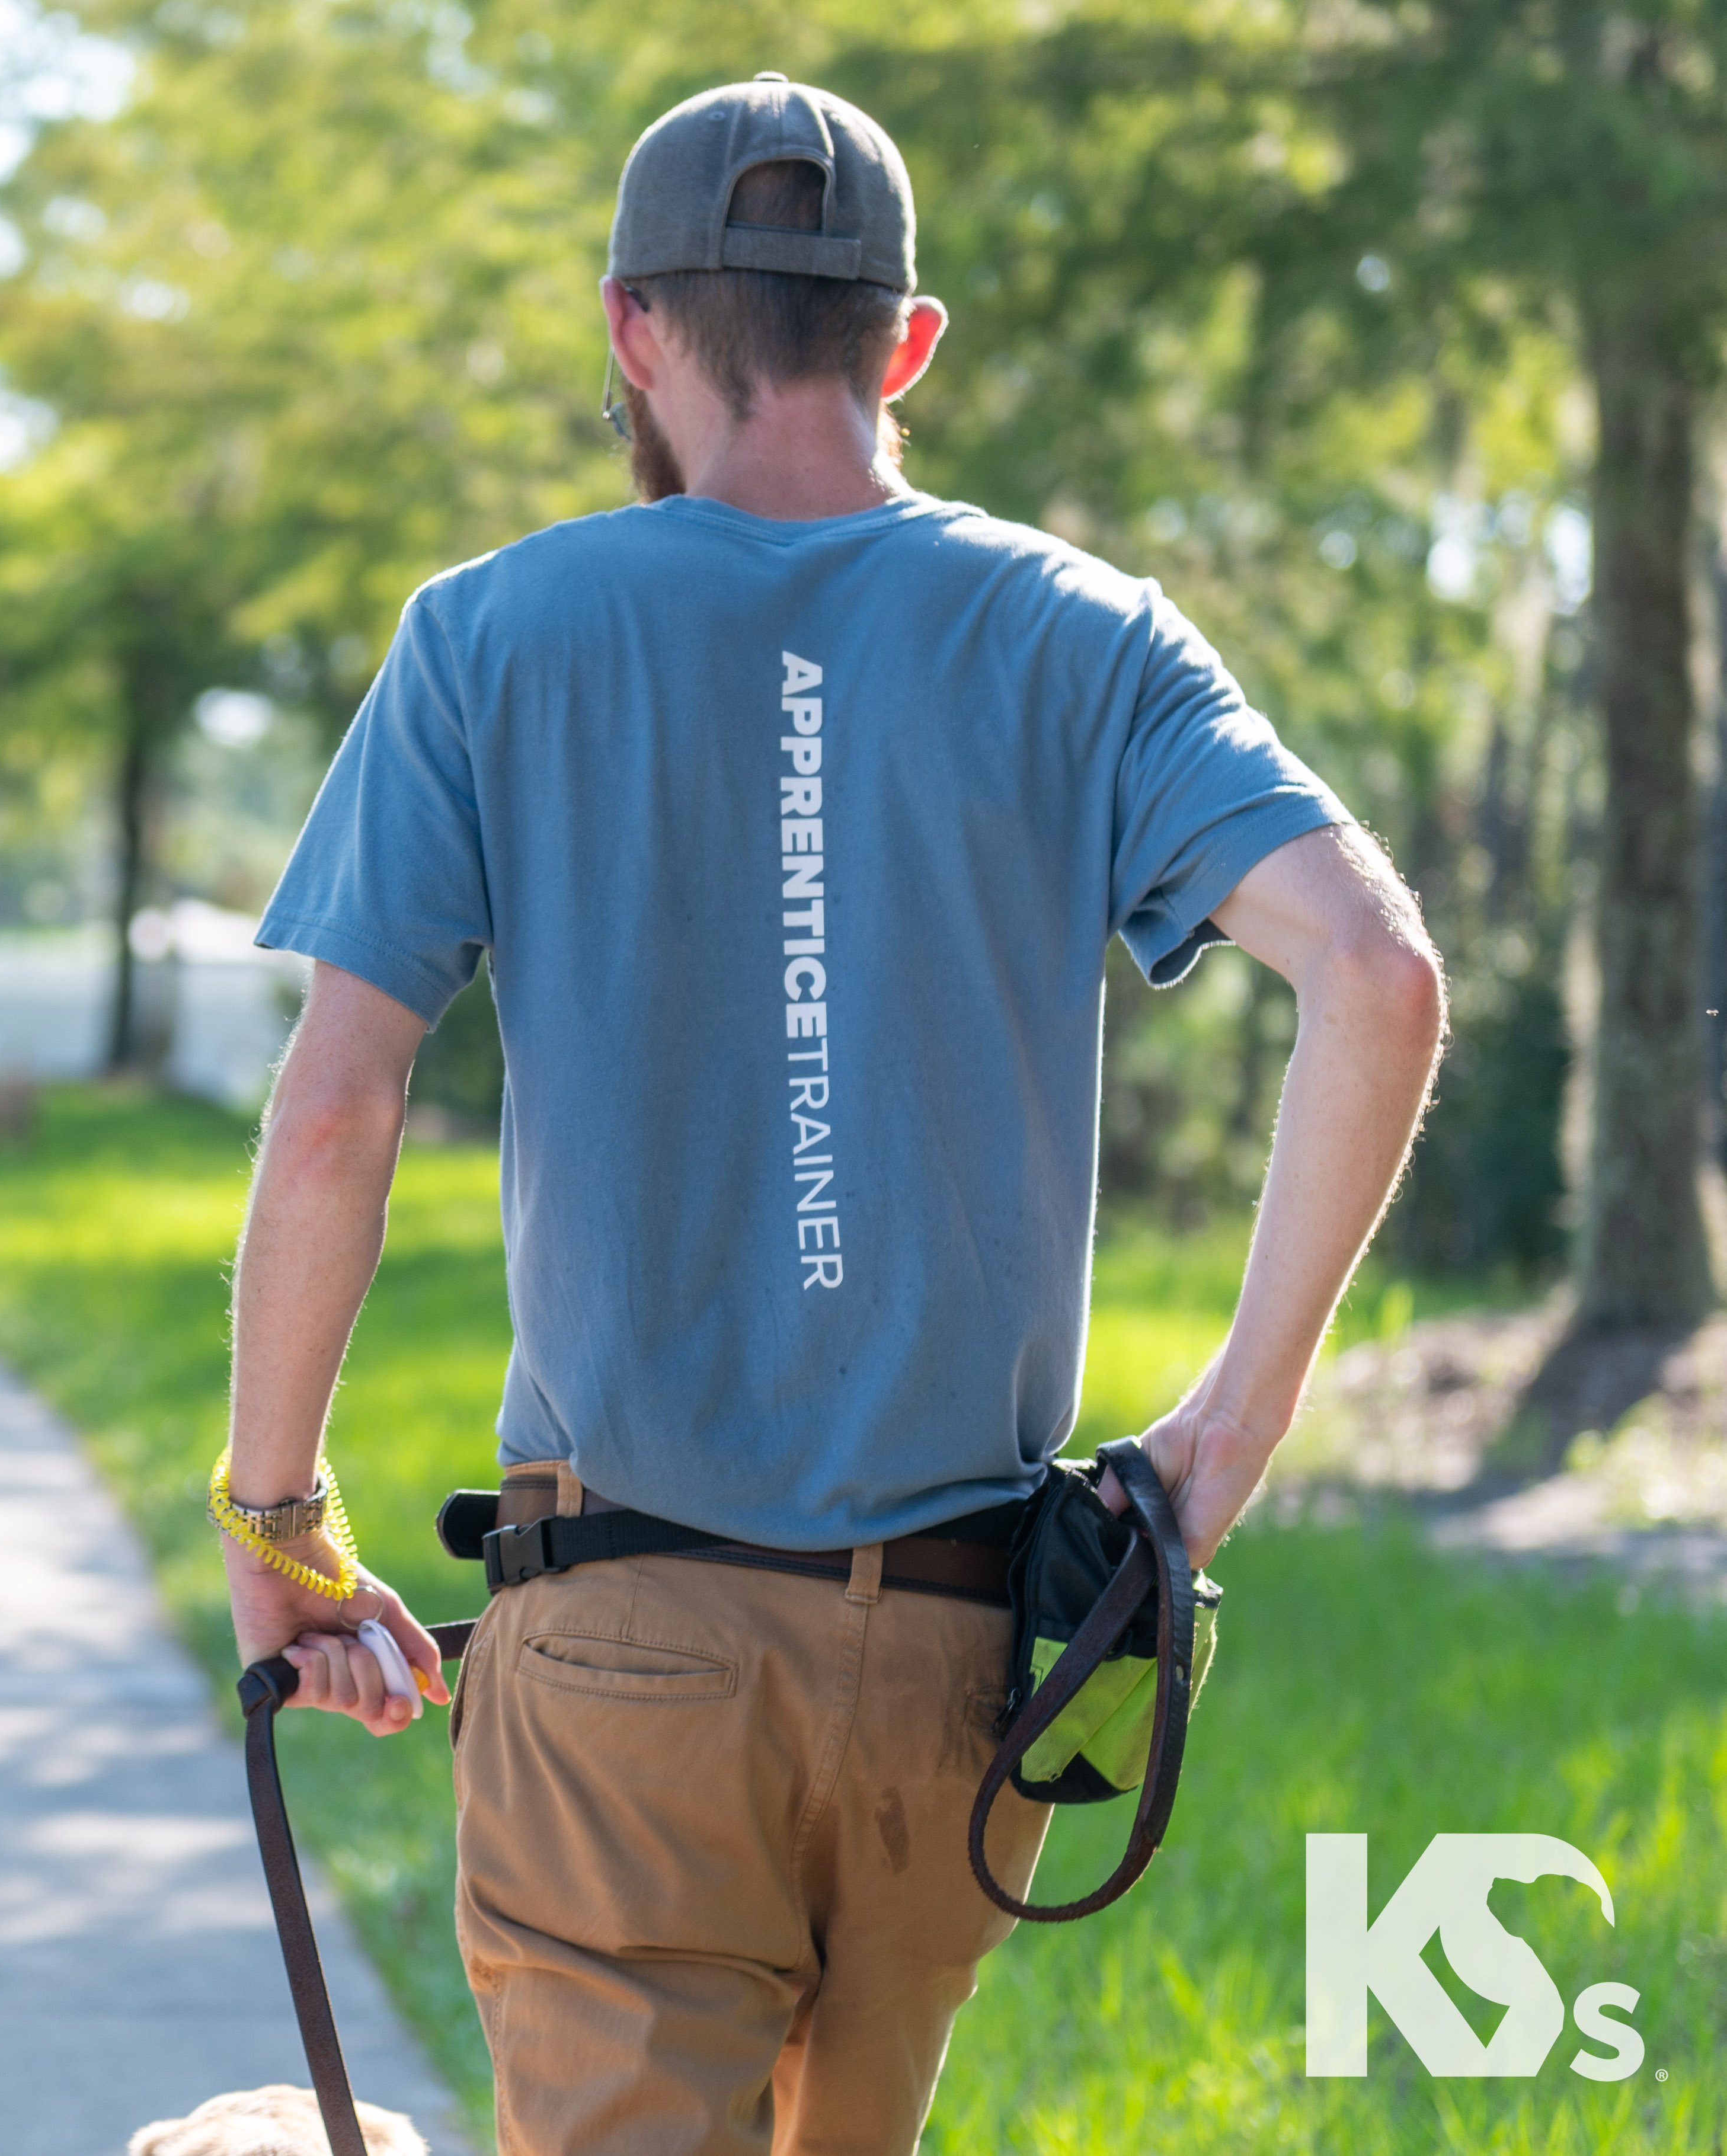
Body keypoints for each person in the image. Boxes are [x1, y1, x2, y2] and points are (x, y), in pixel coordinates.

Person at [212, 76, 1445, 2156]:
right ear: (905, 342)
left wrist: (277, 1516)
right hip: (954, 1674)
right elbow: (1377, 973)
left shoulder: (486, 636)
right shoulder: (1085, 636)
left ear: (630, 328)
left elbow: (337, 1109)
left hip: (621, 1659)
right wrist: (1219, 1441)